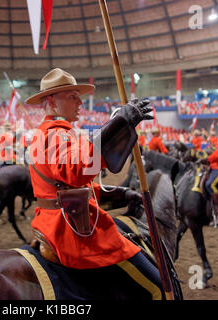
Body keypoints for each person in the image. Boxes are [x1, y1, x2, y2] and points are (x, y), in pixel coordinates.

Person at [25, 68, 165, 299]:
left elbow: (71, 187)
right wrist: (118, 124)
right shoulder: (55, 134)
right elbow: (76, 171)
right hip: (69, 229)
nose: (80, 101)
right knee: (158, 287)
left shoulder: (59, 133)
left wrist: (119, 193)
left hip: (67, 215)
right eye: (72, 96)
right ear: (52, 101)